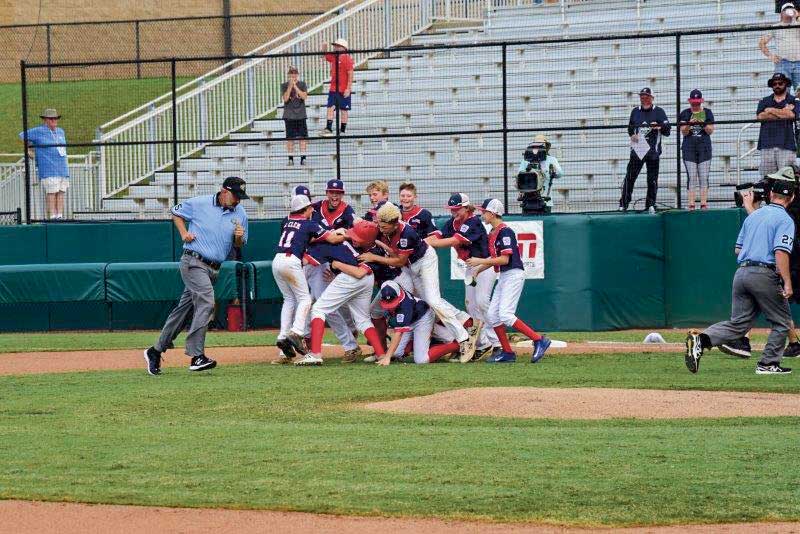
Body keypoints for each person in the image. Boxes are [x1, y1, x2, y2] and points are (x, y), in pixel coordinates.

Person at [685, 167, 797, 375]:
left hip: (742, 273)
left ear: (771, 194)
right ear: (791, 198)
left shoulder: (753, 216)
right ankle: (767, 364)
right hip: (764, 274)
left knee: (738, 324)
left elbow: (738, 250)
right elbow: (781, 252)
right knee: (781, 322)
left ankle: (701, 340)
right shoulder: (785, 220)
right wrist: (788, 282)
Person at [143, 177, 249, 375]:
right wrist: (184, 233)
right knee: (207, 302)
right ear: (224, 191)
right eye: (236, 196)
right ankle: (196, 355)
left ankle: (155, 350)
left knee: (182, 311)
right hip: (194, 261)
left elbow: (240, 244)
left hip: (214, 268)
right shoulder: (200, 203)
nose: (238, 201)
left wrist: (238, 237)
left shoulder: (240, 212)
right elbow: (175, 211)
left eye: (240, 197)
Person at [357, 202, 480, 362]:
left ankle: (463, 338)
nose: (381, 229)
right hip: (412, 266)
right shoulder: (383, 227)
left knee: (433, 300)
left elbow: (400, 261)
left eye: (385, 227)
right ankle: (467, 320)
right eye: (380, 225)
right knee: (429, 303)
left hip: (425, 261)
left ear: (395, 223)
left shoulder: (406, 233)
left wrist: (373, 257)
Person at [467, 198, 551, 364]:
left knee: (505, 314)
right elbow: (495, 257)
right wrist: (478, 269)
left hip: (513, 273)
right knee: (492, 314)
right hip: (505, 275)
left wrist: (478, 261)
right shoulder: (494, 231)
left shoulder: (505, 231)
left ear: (492, 213)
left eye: (484, 212)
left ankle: (538, 339)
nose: (482, 214)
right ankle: (507, 352)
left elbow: (505, 259)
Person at [271, 194, 345, 365]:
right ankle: (296, 331)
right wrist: (346, 234)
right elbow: (332, 238)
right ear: (303, 209)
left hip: (277, 260)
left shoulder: (287, 220)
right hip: (291, 261)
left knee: (288, 299)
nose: (312, 209)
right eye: (309, 207)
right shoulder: (309, 223)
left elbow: (302, 237)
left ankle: (283, 336)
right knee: (304, 299)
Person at [301, 221, 388, 366]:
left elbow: (305, 260)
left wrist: (337, 265)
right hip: (366, 279)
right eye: (352, 235)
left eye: (357, 238)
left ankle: (315, 354)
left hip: (352, 277)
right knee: (363, 320)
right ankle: (381, 355)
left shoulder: (336, 245)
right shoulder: (371, 248)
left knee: (318, 309)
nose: (353, 238)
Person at [427, 193, 499, 360]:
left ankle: (498, 342)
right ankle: (483, 344)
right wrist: (421, 240)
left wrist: (428, 243)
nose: (454, 212)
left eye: (457, 209)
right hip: (471, 266)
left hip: (485, 264)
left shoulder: (473, 222)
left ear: (466, 208)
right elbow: (438, 236)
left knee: (482, 302)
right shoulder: (453, 222)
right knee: (471, 306)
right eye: (452, 209)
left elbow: (454, 241)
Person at [375, 281, 462, 366]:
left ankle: (458, 345)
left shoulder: (405, 305)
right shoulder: (391, 293)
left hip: (423, 319)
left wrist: (387, 357)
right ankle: (428, 339)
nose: (391, 305)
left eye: (392, 302)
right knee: (396, 353)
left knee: (421, 360)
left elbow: (398, 333)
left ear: (399, 295)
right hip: (409, 321)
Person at [619, 88, 671, 214]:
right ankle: (623, 203)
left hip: (653, 149)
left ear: (652, 98)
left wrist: (658, 126)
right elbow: (630, 128)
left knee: (652, 179)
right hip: (639, 148)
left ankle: (650, 204)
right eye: (642, 96)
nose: (644, 98)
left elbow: (667, 130)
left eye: (647, 96)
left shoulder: (659, 111)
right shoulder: (635, 111)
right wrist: (632, 136)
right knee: (630, 177)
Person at [19, 108, 69, 220]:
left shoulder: (61, 131)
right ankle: (52, 216)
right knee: (52, 192)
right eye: (51, 119)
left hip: (62, 167)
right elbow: (23, 135)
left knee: (61, 191)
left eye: (55, 118)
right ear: (45, 120)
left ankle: (60, 216)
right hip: (48, 168)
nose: (54, 121)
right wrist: (29, 149)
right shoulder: (38, 131)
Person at [679, 89, 715, 210]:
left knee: (704, 176)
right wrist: (690, 123)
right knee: (692, 176)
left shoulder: (708, 112)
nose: (695, 105)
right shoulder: (684, 113)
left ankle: (704, 203)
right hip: (689, 149)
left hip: (704, 148)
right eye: (693, 103)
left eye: (697, 102)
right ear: (690, 102)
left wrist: (703, 123)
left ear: (701, 102)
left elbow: (710, 130)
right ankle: (691, 204)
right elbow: (683, 132)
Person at [757, 72, 798, 177]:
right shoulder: (764, 101)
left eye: (780, 83)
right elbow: (760, 117)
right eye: (774, 84)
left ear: (785, 84)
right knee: (767, 180)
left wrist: (770, 110)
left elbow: (791, 115)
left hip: (787, 145)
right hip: (767, 145)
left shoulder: (793, 100)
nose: (777, 86)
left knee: (787, 181)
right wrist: (783, 112)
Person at [516, 134, 563, 214]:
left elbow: (559, 174)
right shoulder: (526, 160)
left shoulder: (551, 160)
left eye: (542, 145)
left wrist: (552, 169)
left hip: (545, 200)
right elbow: (519, 176)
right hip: (528, 200)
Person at [759, 3, 800, 93]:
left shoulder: (798, 25)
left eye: (791, 9)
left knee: (799, 91)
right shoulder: (776, 27)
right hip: (782, 63)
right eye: (786, 9)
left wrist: (797, 16)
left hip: (799, 63)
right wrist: (771, 56)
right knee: (783, 92)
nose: (789, 11)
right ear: (781, 13)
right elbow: (762, 43)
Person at [319, 38, 354, 137]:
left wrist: (348, 88)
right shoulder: (334, 57)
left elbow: (350, 73)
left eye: (338, 46)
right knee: (330, 106)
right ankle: (328, 128)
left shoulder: (346, 58)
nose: (335, 48)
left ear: (343, 48)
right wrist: (324, 47)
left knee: (344, 109)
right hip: (334, 88)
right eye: (335, 46)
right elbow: (323, 55)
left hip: (343, 89)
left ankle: (342, 130)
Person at [281, 66, 309, 166]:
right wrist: (290, 87)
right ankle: (290, 158)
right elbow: (285, 99)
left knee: (303, 137)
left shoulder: (302, 84)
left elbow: (304, 96)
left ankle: (303, 158)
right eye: (291, 75)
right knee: (290, 138)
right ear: (288, 75)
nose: (293, 76)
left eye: (295, 74)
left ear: (297, 75)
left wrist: (295, 87)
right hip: (289, 115)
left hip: (301, 115)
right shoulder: (284, 85)